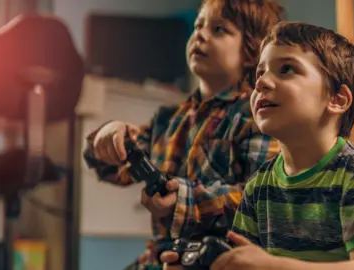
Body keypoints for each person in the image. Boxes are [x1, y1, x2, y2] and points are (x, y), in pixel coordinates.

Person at [161, 21, 354, 270]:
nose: (261, 83)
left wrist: (272, 266)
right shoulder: (259, 187)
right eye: (260, 73)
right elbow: (245, 264)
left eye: (286, 69)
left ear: (337, 99)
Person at [83, 0, 285, 269]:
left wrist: (186, 200)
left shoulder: (257, 117)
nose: (200, 34)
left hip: (222, 262)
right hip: (163, 257)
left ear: (251, 52)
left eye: (219, 29)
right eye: (198, 26)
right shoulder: (168, 120)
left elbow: (261, 203)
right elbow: (112, 169)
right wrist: (105, 140)